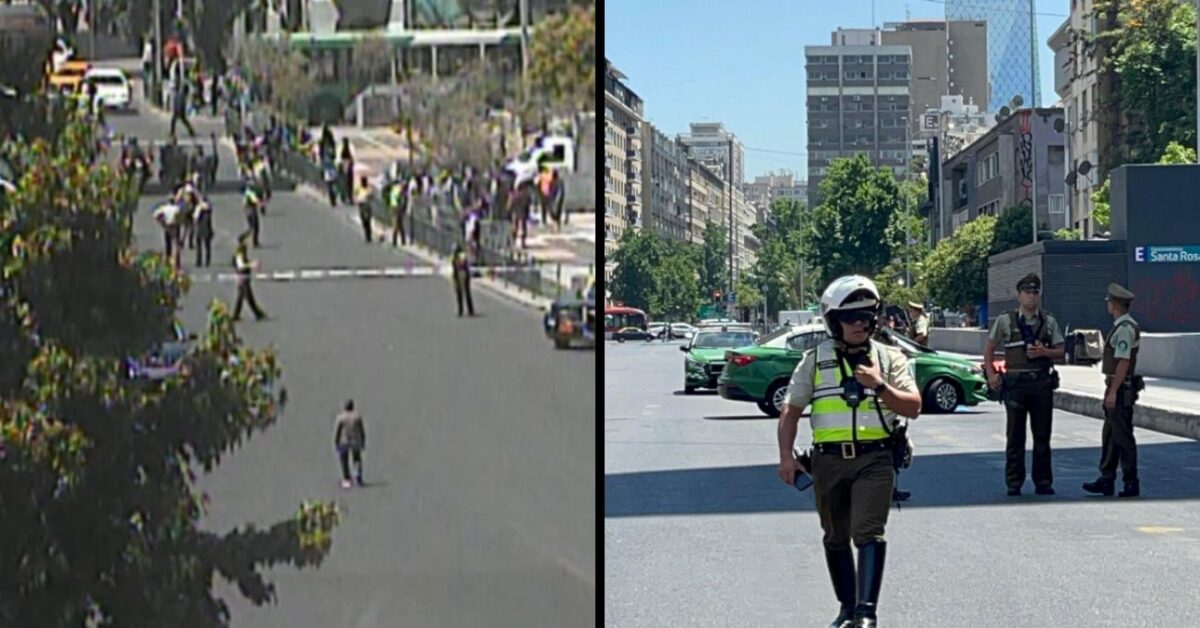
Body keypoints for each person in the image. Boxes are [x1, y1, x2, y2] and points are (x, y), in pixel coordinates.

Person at [776, 275, 921, 628]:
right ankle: (846, 607)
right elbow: (790, 410)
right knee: (835, 536)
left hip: (875, 459)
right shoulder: (814, 360)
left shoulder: (889, 359)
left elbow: (913, 406)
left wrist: (880, 384)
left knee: (868, 532)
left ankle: (866, 613)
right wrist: (785, 457)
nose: (859, 324)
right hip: (828, 460)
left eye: (866, 316)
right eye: (850, 317)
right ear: (832, 321)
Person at [982, 273, 1065, 497]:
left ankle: (1043, 482)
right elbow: (989, 347)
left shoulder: (1048, 321)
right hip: (1016, 385)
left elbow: (1061, 350)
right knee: (1015, 436)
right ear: (1019, 295)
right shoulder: (1006, 320)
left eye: (1035, 292)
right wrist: (991, 374)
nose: (1031, 296)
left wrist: (1044, 352)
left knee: (1042, 436)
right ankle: (1014, 482)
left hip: (1040, 383)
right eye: (1027, 292)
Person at [1083, 283, 1143, 498]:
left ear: (1115, 304)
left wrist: (1113, 392)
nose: (1108, 305)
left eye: (1109, 302)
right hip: (1117, 386)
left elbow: (1123, 363)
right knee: (1110, 435)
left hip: (1121, 387)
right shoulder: (1121, 326)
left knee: (1122, 436)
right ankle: (1107, 478)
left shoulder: (1125, 329)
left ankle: (1130, 481)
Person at [334, 399, 366, 488]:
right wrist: (363, 441)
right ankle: (357, 475)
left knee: (344, 461)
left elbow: (338, 430)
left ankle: (347, 479)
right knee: (356, 459)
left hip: (344, 441)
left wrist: (336, 441)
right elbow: (361, 430)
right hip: (355, 441)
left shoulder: (341, 417)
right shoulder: (357, 417)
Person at [232, 238, 267, 321]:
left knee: (241, 297)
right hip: (243, 278)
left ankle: (236, 315)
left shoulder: (240, 253)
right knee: (249, 297)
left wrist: (251, 263)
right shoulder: (239, 254)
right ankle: (258, 314)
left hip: (243, 278)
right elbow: (241, 265)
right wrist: (252, 265)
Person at [152, 200, 183, 269]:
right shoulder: (176, 208)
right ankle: (177, 262)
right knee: (176, 244)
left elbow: (155, 214)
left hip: (167, 226)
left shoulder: (164, 208)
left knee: (168, 244)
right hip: (175, 226)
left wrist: (161, 222)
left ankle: (168, 261)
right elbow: (181, 215)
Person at [451, 243, 476, 317]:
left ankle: (470, 310)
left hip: (463, 275)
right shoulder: (454, 257)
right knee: (459, 294)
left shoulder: (462, 256)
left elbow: (462, 266)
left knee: (466, 293)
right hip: (458, 276)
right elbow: (454, 267)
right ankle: (460, 310)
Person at [242, 176, 263, 248]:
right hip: (251, 211)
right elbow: (255, 200)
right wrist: (260, 203)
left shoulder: (247, 192)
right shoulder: (249, 192)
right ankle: (252, 241)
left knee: (253, 227)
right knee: (254, 227)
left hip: (249, 211)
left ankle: (254, 241)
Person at [355, 176, 373, 244]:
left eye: (364, 182)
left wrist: (368, 197)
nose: (363, 183)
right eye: (362, 182)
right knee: (363, 221)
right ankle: (366, 233)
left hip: (367, 207)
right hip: (361, 206)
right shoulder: (359, 188)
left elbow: (371, 197)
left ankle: (368, 235)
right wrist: (357, 199)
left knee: (368, 221)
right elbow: (356, 194)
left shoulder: (369, 189)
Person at [338, 138, 355, 205]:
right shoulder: (349, 149)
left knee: (343, 182)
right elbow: (353, 158)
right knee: (349, 183)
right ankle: (349, 197)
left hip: (343, 167)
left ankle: (344, 196)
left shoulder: (340, 149)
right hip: (348, 168)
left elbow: (338, 159)